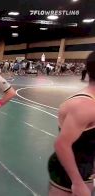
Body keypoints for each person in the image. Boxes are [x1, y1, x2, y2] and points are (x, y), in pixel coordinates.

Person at [48, 51, 95, 196]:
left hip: (88, 165)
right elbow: (62, 144)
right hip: (70, 171)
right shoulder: (85, 106)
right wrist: (77, 182)